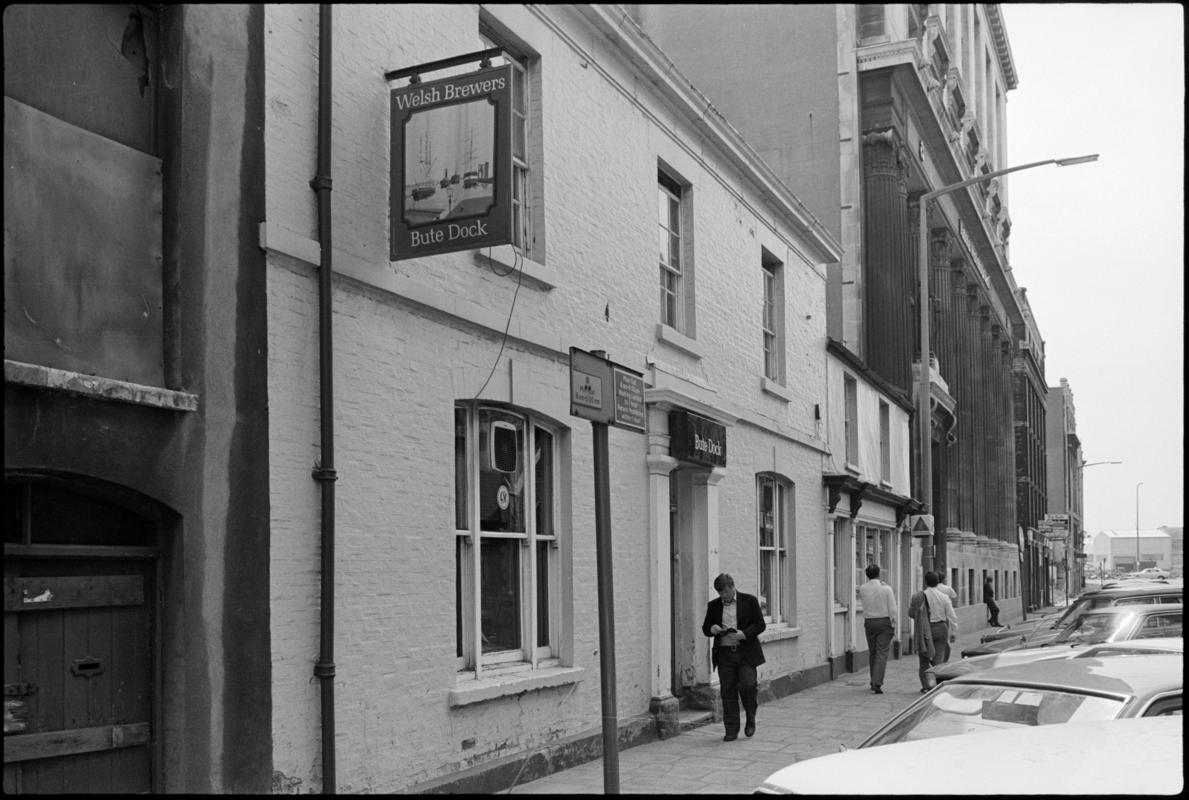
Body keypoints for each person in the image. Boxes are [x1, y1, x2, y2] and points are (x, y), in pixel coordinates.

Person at [702, 573, 766, 741]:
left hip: (746, 653)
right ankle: (731, 729)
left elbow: (761, 624)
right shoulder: (714, 606)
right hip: (724, 654)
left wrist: (744, 634)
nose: (723, 596)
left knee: (748, 685)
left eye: (725, 592)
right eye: (720, 593)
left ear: (732, 587)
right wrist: (713, 629)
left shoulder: (750, 601)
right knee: (727, 690)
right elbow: (705, 628)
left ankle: (750, 718)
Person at [908, 571, 958, 693]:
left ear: (925, 582)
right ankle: (936, 685)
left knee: (924, 658)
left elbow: (911, 613)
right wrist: (953, 632)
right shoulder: (944, 597)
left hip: (924, 630)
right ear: (938, 582)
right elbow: (951, 616)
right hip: (941, 628)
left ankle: (926, 685)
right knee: (939, 657)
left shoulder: (917, 597)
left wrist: (922, 617)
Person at [857, 564, 897, 694]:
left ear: (867, 575)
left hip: (869, 622)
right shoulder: (887, 589)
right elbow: (892, 608)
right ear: (879, 573)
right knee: (882, 653)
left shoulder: (862, 588)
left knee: (873, 652)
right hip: (884, 621)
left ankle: (872, 679)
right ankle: (877, 682)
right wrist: (893, 622)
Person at [936, 575, 958, 661]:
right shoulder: (947, 589)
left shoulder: (927, 592)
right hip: (944, 618)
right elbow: (954, 597)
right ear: (944, 579)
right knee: (943, 642)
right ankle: (941, 661)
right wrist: (954, 631)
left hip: (931, 619)